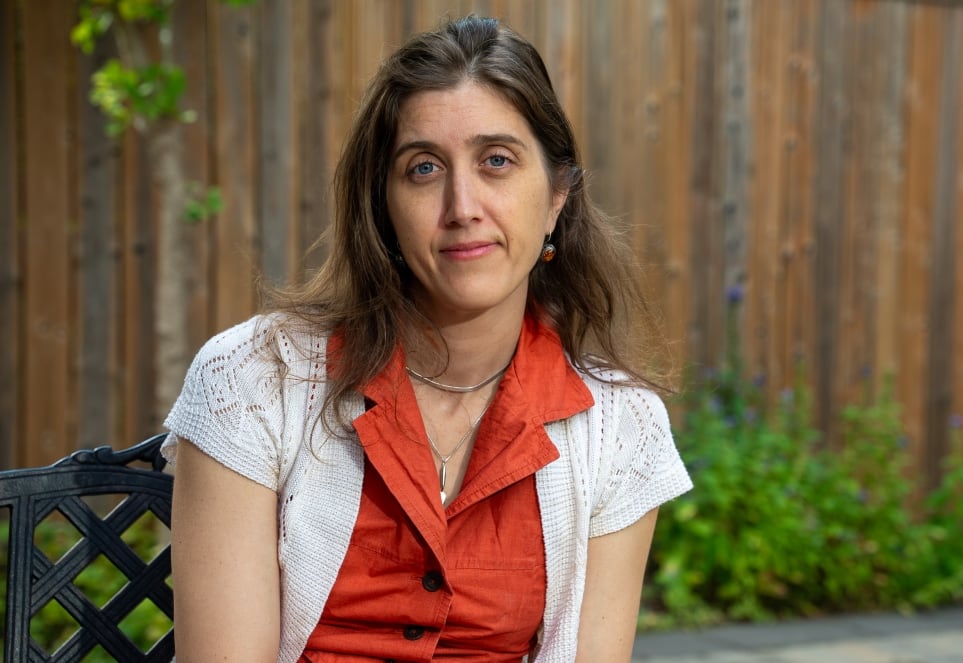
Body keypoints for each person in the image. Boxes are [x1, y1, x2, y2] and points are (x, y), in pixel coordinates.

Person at [164, 14, 692, 663]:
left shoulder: (621, 427)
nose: (462, 204)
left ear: (557, 196)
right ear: (382, 205)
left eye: (496, 161)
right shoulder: (251, 380)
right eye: (422, 169)